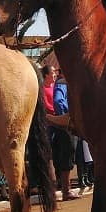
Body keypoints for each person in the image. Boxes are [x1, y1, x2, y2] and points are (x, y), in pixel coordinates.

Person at [42, 65, 76, 200]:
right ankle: (66, 190)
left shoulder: (65, 82)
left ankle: (63, 187)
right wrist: (65, 116)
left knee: (61, 155)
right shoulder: (63, 83)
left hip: (62, 124)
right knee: (66, 154)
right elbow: (58, 101)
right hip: (65, 124)